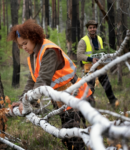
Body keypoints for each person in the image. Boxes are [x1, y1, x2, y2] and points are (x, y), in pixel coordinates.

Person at [8, 19, 93, 150]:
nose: (23, 47)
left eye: (25, 43)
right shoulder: (33, 55)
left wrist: (28, 101)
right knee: (68, 138)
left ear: (33, 37)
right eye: (21, 45)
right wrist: (22, 100)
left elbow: (43, 80)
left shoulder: (48, 50)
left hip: (77, 94)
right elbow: (33, 79)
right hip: (62, 98)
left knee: (74, 139)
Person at [77, 20, 118, 107]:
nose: (92, 29)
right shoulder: (83, 40)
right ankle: (90, 106)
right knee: (90, 88)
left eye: (94, 27)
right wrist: (91, 59)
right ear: (87, 29)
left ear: (96, 28)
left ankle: (114, 102)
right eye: (90, 28)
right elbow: (79, 55)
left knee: (107, 84)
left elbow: (101, 52)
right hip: (89, 66)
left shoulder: (99, 38)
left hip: (100, 65)